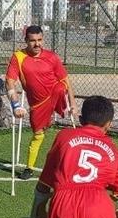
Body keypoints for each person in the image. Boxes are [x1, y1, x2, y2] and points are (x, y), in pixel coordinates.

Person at [6, 25, 78, 180]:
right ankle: (29, 168)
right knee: (38, 136)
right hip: (37, 105)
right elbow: (10, 82)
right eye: (32, 41)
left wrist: (73, 104)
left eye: (40, 40)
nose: (37, 44)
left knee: (60, 87)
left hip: (56, 94)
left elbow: (66, 80)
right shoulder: (18, 57)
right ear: (26, 41)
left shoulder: (52, 57)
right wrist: (16, 105)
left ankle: (60, 111)